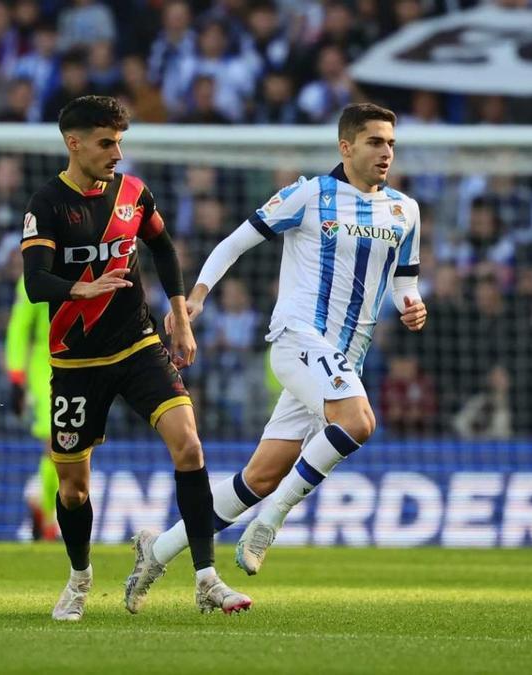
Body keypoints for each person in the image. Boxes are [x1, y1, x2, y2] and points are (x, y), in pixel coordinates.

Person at [125, 103, 426, 611]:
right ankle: (270, 523)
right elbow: (234, 242)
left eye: (391, 143)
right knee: (358, 420)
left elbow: (404, 283)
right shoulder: (310, 195)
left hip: (342, 357)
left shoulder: (404, 210)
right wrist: (195, 297)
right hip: (297, 339)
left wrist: (412, 306)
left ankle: (157, 548)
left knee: (258, 476)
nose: (386, 152)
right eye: (375, 142)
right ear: (346, 146)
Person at [19, 95, 249, 620]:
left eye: (120, 141)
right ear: (73, 143)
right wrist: (85, 287)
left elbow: (163, 248)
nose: (116, 152)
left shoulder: (134, 193)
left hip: (139, 344)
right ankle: (79, 578)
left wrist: (180, 314)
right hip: (76, 364)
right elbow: (35, 283)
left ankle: (207, 578)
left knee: (189, 445)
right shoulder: (47, 204)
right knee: (73, 490)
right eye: (106, 143)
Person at [5, 277, 59, 541]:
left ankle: (44, 506)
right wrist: (16, 375)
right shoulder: (33, 274)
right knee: (55, 440)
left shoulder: (90, 260)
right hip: (45, 362)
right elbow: (19, 325)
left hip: (86, 360)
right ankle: (49, 521)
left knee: (77, 446)